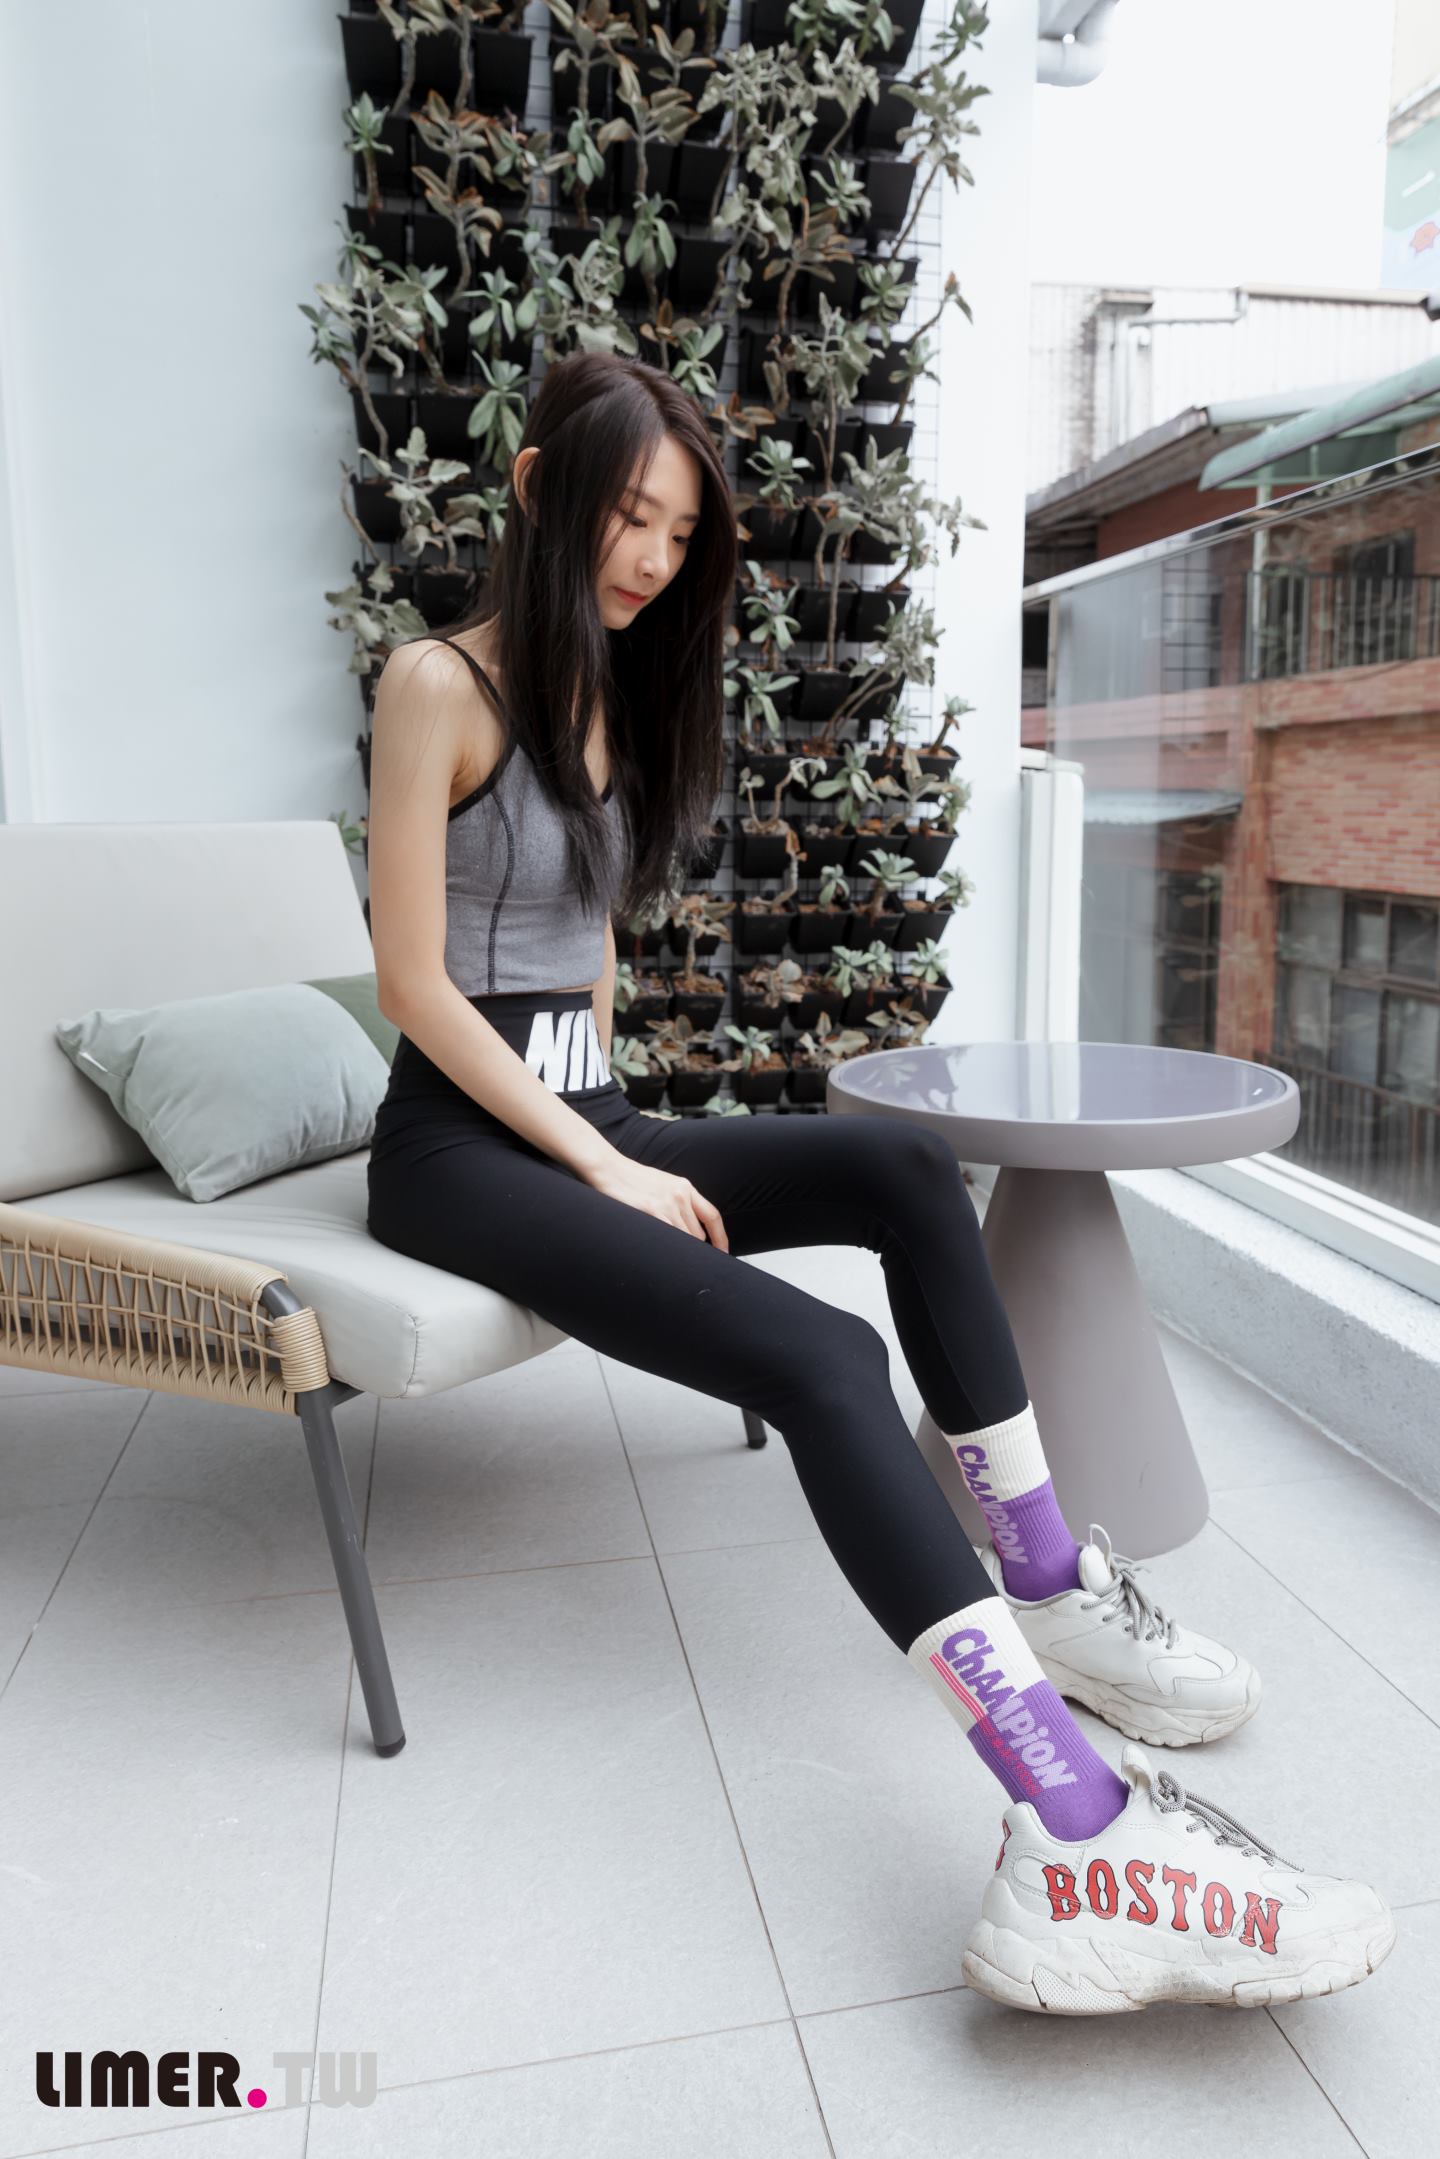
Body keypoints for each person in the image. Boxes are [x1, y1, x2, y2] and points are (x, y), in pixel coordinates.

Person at [363, 349, 1393, 2013]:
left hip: (585, 1118)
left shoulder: (603, 693)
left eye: (681, 533)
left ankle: (1047, 1589)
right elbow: (416, 982)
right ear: (540, 488)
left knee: (906, 1167)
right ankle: (1075, 1832)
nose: (654, 558)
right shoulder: (437, 686)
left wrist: (618, 1122)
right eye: (630, 516)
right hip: (455, 1156)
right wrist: (600, 1167)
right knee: (827, 1355)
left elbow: (587, 949)